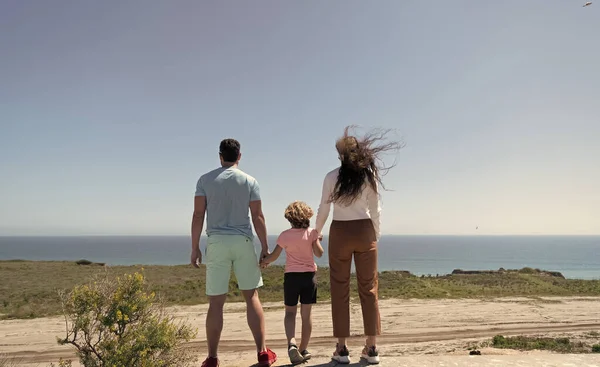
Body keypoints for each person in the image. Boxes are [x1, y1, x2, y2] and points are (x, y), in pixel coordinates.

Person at [315, 126, 401, 365]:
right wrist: (376, 235)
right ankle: (371, 347)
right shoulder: (368, 177)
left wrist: (316, 231)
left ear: (340, 155)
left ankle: (342, 348)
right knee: (369, 288)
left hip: (340, 232)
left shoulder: (331, 177)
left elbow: (324, 208)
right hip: (365, 231)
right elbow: (376, 210)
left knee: (339, 289)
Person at [191, 138, 277, 367]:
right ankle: (262, 353)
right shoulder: (250, 181)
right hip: (243, 241)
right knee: (251, 297)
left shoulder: (205, 180)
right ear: (239, 156)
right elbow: (258, 217)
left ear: (220, 156)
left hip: (217, 243)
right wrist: (265, 248)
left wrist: (194, 248)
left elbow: (198, 215)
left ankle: (212, 358)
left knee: (216, 303)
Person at [261, 201, 324, 365]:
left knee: (290, 313)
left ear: (289, 218)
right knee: (306, 315)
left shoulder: (284, 235)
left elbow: (274, 256)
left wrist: (264, 262)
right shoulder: (312, 233)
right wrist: (316, 238)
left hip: (291, 277)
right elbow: (319, 254)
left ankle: (292, 343)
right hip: (309, 277)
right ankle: (303, 349)